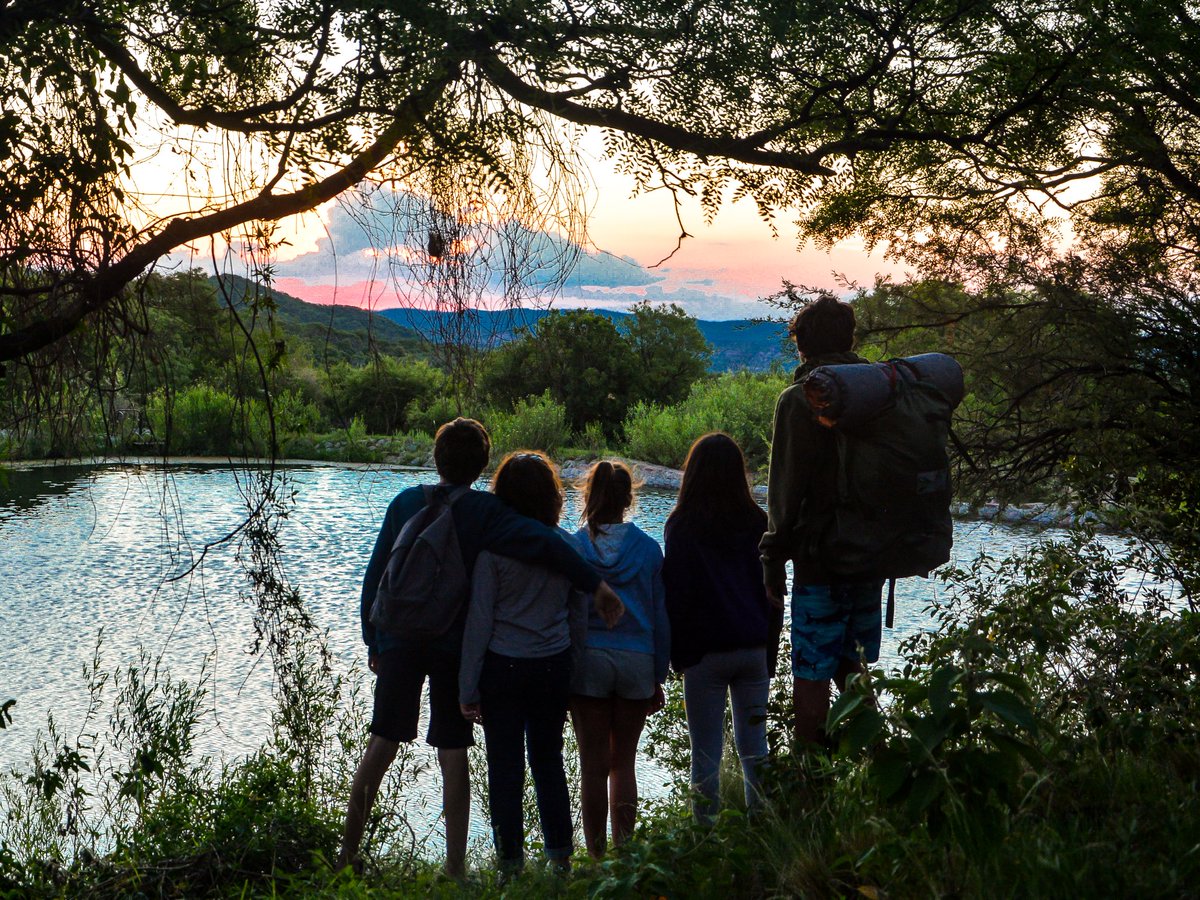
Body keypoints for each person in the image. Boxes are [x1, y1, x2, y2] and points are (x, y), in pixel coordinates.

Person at [338, 419, 623, 877]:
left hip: (400, 639)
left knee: (382, 741)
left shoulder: (405, 501)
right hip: (451, 643)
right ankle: (455, 867)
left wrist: (374, 638)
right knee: (452, 748)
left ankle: (345, 857)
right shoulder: (484, 511)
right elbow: (541, 541)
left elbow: (376, 575)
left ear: (437, 458)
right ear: (482, 465)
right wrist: (597, 586)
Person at [760, 294, 885, 749]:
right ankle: (876, 761)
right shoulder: (879, 394)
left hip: (820, 561)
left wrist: (772, 560)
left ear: (803, 347)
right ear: (849, 339)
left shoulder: (800, 400)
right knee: (853, 664)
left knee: (811, 670)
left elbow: (785, 489)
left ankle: (811, 778)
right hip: (872, 556)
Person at [458, 450, 587, 872]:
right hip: (552, 667)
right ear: (552, 496)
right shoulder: (566, 547)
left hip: (502, 669)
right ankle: (561, 860)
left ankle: (509, 864)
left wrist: (467, 687)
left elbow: (479, 622)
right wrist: (575, 675)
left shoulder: (493, 552)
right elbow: (578, 619)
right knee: (549, 762)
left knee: (505, 770)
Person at [662, 432, 777, 822]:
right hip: (752, 646)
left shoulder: (682, 525)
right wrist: (771, 651)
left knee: (705, 754)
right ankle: (762, 828)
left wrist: (678, 657)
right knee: (754, 749)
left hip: (705, 653)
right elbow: (773, 591)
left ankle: (704, 836)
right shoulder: (758, 521)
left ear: (692, 473)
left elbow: (676, 595)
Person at [569, 460, 668, 858]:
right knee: (623, 763)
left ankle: (594, 858)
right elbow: (661, 617)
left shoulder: (575, 547)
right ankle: (623, 857)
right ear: (629, 499)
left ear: (588, 496)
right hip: (637, 660)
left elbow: (569, 613)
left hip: (589, 660)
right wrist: (658, 674)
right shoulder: (647, 549)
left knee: (592, 766)